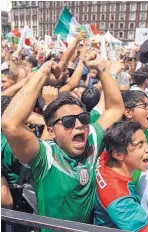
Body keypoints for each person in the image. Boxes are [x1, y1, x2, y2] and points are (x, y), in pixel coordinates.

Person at [2, 50, 124, 232]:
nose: (78, 125)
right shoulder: (45, 157)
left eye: (82, 118)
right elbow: (10, 124)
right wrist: (41, 74)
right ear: (50, 131)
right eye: (67, 122)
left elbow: (114, 108)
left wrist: (101, 68)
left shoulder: (91, 139)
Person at [94, 121, 148, 232]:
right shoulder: (120, 200)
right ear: (118, 155)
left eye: (146, 142)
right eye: (140, 145)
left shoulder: (105, 157)